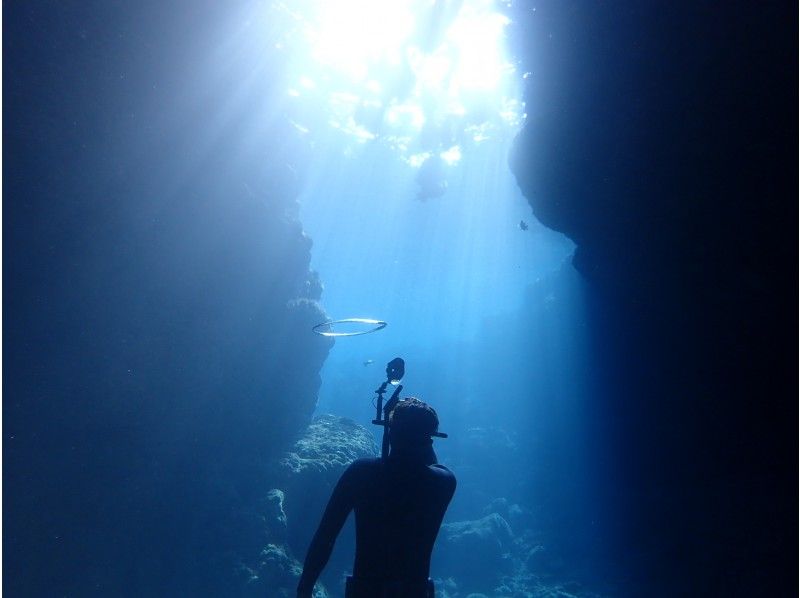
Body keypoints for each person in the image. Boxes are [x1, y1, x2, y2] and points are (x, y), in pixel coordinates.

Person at [297, 398, 456, 598]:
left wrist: (304, 590)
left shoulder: (361, 472)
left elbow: (325, 536)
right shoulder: (443, 482)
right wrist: (419, 434)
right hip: (413, 592)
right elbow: (429, 461)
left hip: (365, 591)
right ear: (429, 439)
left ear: (391, 433)